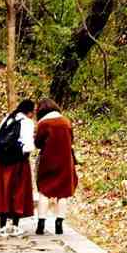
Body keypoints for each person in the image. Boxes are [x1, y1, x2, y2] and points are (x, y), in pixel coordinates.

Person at [0, 100, 36, 238]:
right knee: (19, 192)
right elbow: (28, 146)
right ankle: (15, 227)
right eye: (33, 111)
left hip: (2, 162)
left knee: (2, 192)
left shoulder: (8, 118)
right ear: (29, 111)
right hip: (19, 163)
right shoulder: (27, 123)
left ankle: (2, 227)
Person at [33, 99, 78, 235]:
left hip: (47, 160)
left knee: (44, 191)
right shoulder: (66, 122)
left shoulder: (43, 124)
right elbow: (72, 139)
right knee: (63, 192)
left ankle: (41, 224)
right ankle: (59, 223)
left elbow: (38, 143)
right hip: (65, 161)